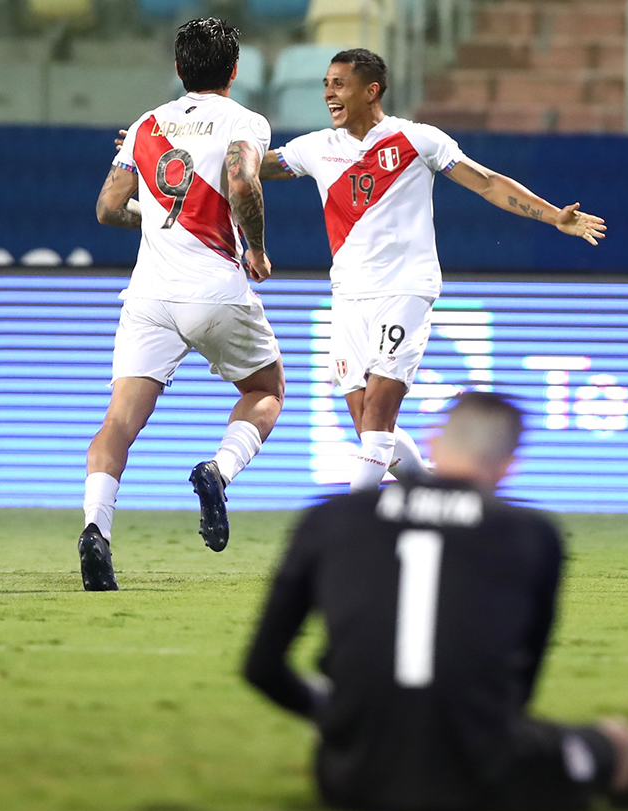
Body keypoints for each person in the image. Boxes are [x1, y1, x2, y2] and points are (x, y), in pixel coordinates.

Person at [243, 391, 628, 811]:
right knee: (614, 743)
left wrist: (335, 713)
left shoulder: (330, 519)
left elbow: (262, 667)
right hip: (486, 779)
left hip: (349, 780)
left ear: (435, 445)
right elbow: (517, 693)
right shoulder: (529, 535)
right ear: (509, 466)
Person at [258, 49, 607, 493]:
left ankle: (355, 522)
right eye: (326, 84)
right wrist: (203, 153)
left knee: (378, 416)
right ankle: (433, 495)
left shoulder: (417, 140)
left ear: (371, 91)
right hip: (347, 296)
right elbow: (252, 169)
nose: (329, 93)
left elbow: (487, 183)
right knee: (367, 425)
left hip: (404, 289)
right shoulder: (316, 148)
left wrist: (553, 215)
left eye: (339, 84)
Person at [81, 17, 285, 591]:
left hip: (149, 296)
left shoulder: (145, 125)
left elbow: (107, 209)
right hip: (215, 291)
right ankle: (219, 470)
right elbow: (242, 183)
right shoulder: (245, 121)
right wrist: (257, 249)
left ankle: (95, 529)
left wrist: (157, 219)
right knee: (266, 390)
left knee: (119, 422)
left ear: (177, 68)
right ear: (235, 70)